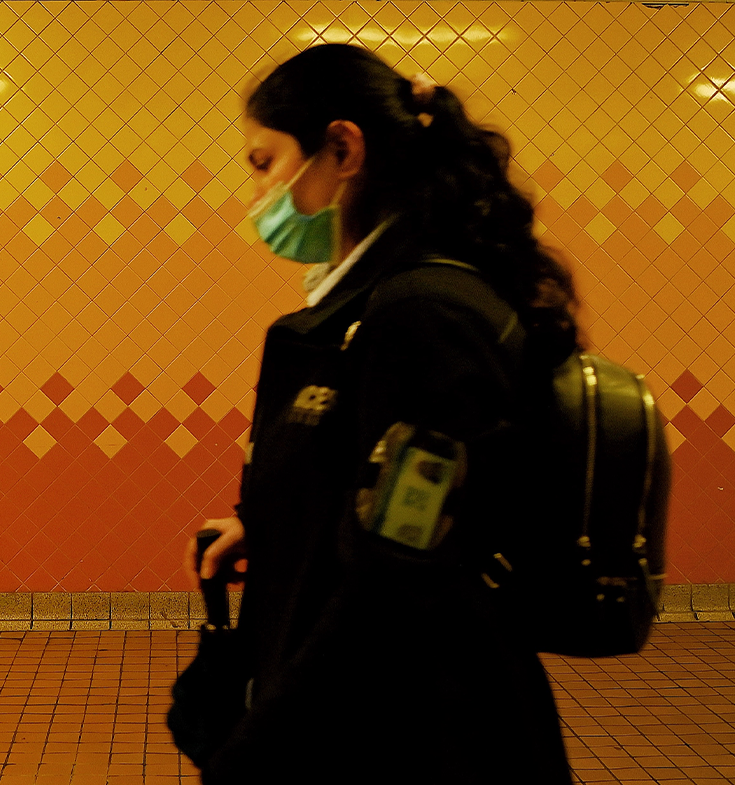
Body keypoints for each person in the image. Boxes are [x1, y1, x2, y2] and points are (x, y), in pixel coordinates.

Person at [182, 44, 577, 783]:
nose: (258, 194)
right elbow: (379, 485)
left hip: (418, 739)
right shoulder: (376, 306)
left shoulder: (421, 314)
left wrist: (255, 751)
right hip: (388, 721)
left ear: (342, 148)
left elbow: (399, 569)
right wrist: (276, 525)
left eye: (264, 162)